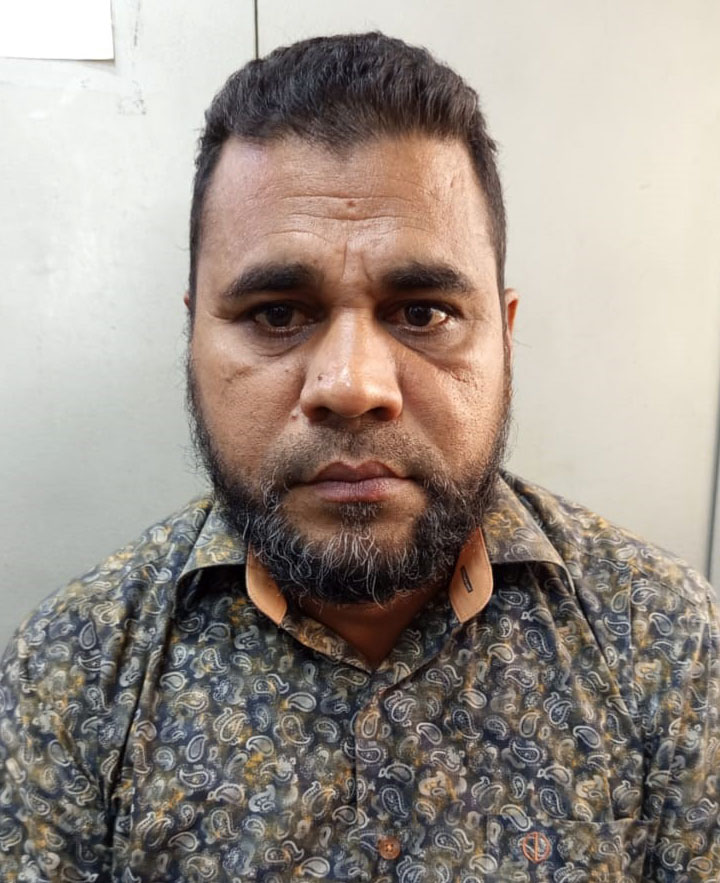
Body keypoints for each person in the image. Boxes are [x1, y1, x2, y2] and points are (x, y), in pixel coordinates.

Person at [1, 31, 718, 883]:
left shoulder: (670, 642)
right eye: (276, 313)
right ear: (192, 335)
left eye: (422, 312)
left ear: (505, 336)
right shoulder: (71, 671)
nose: (351, 386)